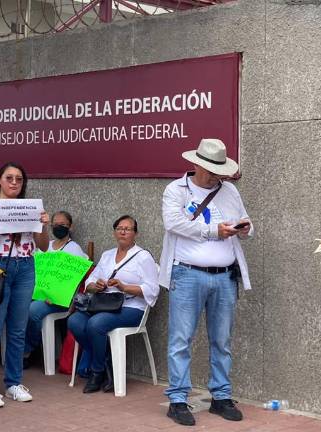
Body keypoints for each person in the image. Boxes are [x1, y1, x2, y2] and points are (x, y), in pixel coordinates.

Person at [161, 138, 253, 426]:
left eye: (219, 171)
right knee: (181, 339)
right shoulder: (175, 190)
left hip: (224, 277)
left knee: (222, 340)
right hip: (187, 274)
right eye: (210, 170)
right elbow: (174, 223)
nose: (215, 176)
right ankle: (177, 399)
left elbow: (245, 221)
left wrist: (245, 228)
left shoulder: (230, 191)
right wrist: (215, 231)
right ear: (196, 164)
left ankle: (221, 396)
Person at [0, 161, 50, 408]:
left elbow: (43, 245)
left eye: (19, 179)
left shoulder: (30, 206)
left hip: (25, 266)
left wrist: (43, 224)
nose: (14, 183)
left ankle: (13, 382)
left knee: (17, 329)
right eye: (9, 178)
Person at [68, 215, 159, 393]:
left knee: (96, 324)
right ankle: (106, 361)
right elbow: (90, 282)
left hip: (132, 308)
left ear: (136, 234)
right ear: (114, 232)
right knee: (75, 321)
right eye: (119, 228)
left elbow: (152, 289)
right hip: (104, 304)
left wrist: (125, 287)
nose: (123, 232)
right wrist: (96, 286)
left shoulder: (143, 257)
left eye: (128, 229)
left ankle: (97, 371)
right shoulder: (107, 255)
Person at [24, 210, 87, 369]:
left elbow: (73, 281)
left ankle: (28, 351)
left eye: (63, 225)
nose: (59, 227)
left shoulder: (74, 249)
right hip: (38, 294)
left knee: (32, 311)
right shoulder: (46, 246)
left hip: (58, 299)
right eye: (55, 224)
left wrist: (53, 294)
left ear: (70, 226)